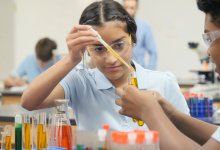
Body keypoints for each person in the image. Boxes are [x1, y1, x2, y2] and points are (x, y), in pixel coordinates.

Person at [21, 0, 189, 131]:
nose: (111, 59)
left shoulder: (163, 83)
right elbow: (29, 102)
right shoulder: (81, 83)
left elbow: (189, 138)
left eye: (118, 45)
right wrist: (71, 59)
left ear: (133, 39)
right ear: (87, 48)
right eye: (99, 49)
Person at [115, 0, 220, 149]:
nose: (208, 51)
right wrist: (171, 116)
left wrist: (150, 112)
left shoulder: (162, 80)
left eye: (210, 38)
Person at [123, 0, 157, 70]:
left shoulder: (144, 27)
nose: (128, 11)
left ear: (136, 8)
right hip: (121, 72)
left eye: (132, 8)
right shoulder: (117, 26)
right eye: (126, 7)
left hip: (139, 72)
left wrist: (149, 73)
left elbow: (153, 52)